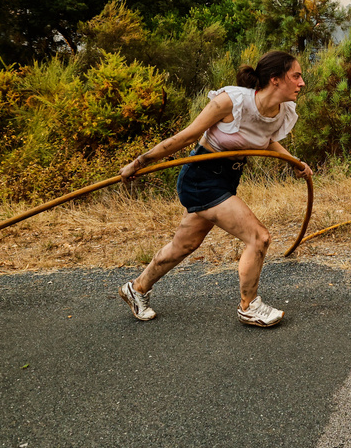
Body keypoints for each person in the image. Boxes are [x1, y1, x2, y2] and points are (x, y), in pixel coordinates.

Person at [118, 51, 312, 328]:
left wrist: (294, 163)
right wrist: (138, 163)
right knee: (259, 237)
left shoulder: (280, 111)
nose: (302, 82)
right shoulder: (231, 101)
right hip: (200, 179)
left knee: (183, 246)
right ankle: (249, 307)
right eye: (296, 75)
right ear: (275, 79)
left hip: (227, 180)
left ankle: (135, 289)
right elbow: (185, 136)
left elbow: (265, 141)